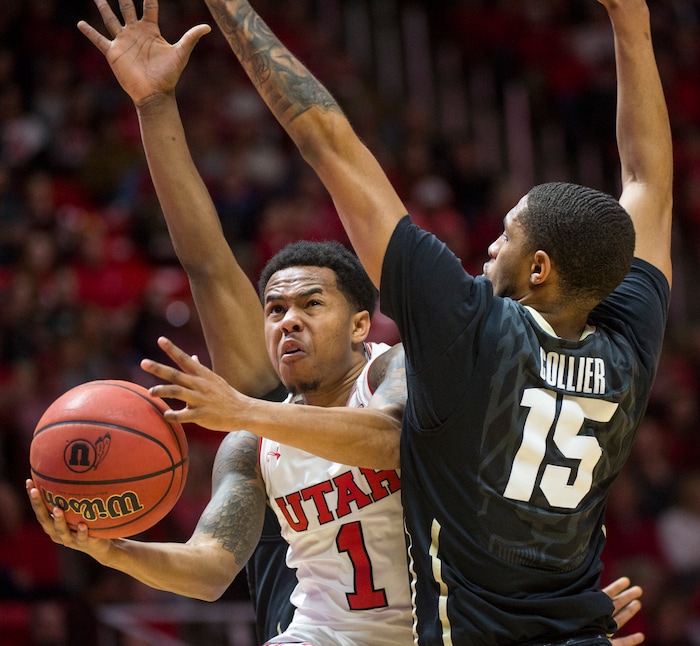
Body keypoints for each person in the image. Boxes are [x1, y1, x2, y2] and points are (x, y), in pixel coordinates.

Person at [29, 1, 647, 645]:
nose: (286, 322)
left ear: (362, 325)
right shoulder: (252, 437)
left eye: (310, 305)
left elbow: (392, 443)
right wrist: (109, 550)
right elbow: (211, 567)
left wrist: (553, 614)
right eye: (275, 310)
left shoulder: (399, 371)